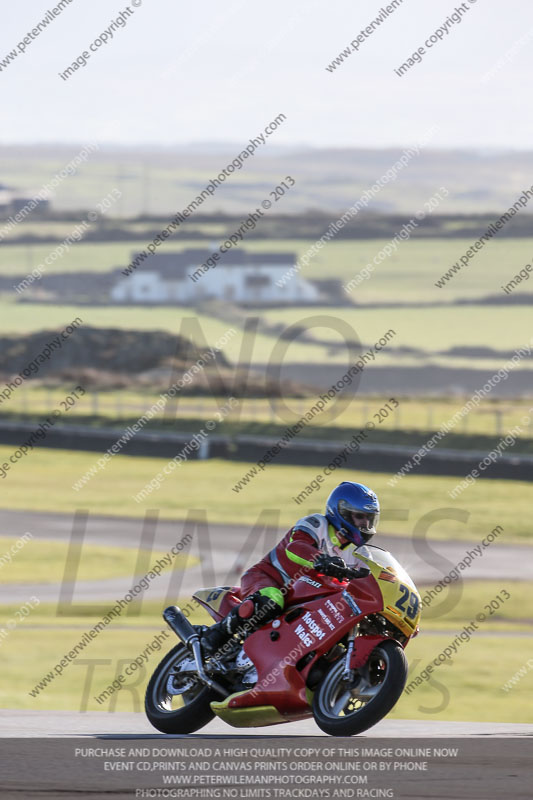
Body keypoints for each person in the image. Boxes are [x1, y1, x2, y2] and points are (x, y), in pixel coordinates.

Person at [200, 481, 380, 657]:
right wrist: (320, 560)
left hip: (310, 599)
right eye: (360, 516)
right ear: (343, 512)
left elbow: (369, 584)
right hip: (271, 579)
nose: (365, 524)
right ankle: (217, 634)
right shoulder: (317, 524)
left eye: (369, 519)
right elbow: (295, 547)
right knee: (271, 601)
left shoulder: (361, 554)